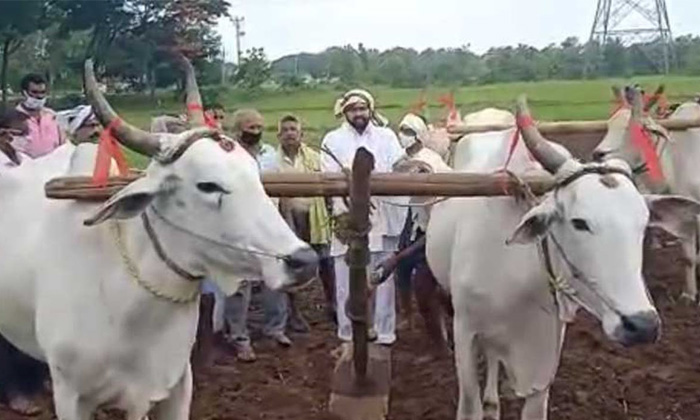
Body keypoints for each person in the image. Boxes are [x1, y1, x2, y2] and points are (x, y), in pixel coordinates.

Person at [321, 89, 405, 346]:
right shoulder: (332, 140)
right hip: (349, 219)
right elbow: (329, 174)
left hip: (384, 214)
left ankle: (384, 332)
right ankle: (348, 333)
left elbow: (399, 165)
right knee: (346, 279)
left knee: (383, 279)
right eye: (353, 109)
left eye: (363, 108)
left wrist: (412, 168)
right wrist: (353, 185)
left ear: (370, 110)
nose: (359, 113)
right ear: (345, 112)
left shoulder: (386, 136)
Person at [212, 109, 292, 362]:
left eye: (259, 127)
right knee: (240, 283)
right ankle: (239, 337)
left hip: (268, 224)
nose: (255, 132)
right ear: (238, 129)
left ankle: (275, 329)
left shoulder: (269, 155)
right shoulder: (225, 154)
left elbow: (283, 189)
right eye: (250, 127)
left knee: (275, 276)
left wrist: (285, 222)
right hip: (238, 226)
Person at [275, 114, 336, 327]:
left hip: (316, 216)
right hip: (288, 218)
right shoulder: (273, 161)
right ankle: (295, 313)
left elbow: (328, 186)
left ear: (301, 134)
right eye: (286, 130)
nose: (290, 133)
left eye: (294, 129)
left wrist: (329, 213)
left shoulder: (315, 157)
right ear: (279, 135)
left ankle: (333, 305)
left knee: (327, 263)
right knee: (293, 266)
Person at [12, 73, 66, 159]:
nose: (39, 96)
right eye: (34, 92)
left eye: (42, 92)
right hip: (23, 169)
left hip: (54, 167)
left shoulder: (53, 116)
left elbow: (64, 145)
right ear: (24, 93)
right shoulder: (12, 119)